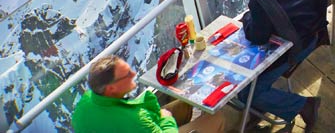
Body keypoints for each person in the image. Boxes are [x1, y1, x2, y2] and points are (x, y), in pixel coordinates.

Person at [239, 0, 322, 130]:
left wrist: (246, 18)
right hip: (314, 30)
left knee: (247, 92)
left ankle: (304, 106)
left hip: (298, 46)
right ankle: (264, 107)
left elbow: (257, 36)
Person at [72, 55, 226, 132]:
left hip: (137, 122)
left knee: (186, 101)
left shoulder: (86, 102)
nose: (133, 74)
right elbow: (136, 122)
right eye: (127, 75)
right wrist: (166, 120)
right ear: (111, 88)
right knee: (217, 117)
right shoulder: (136, 120)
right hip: (147, 126)